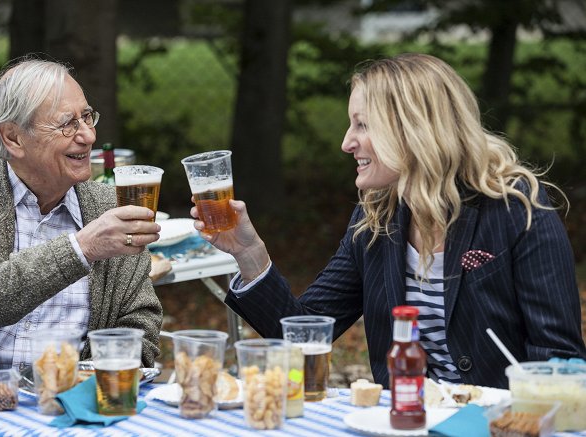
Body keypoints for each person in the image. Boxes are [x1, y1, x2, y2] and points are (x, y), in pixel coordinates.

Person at [191, 53, 586, 389]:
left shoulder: (515, 207)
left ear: (414, 129)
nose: (347, 142)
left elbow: (560, 359)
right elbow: (299, 334)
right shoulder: (374, 217)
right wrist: (250, 253)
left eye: (363, 125)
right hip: (400, 419)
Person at [0, 58, 163, 393]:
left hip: (77, 403)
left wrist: (94, 383)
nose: (88, 135)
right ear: (13, 138)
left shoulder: (109, 206)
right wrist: (82, 248)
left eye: (87, 117)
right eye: (67, 124)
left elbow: (140, 317)